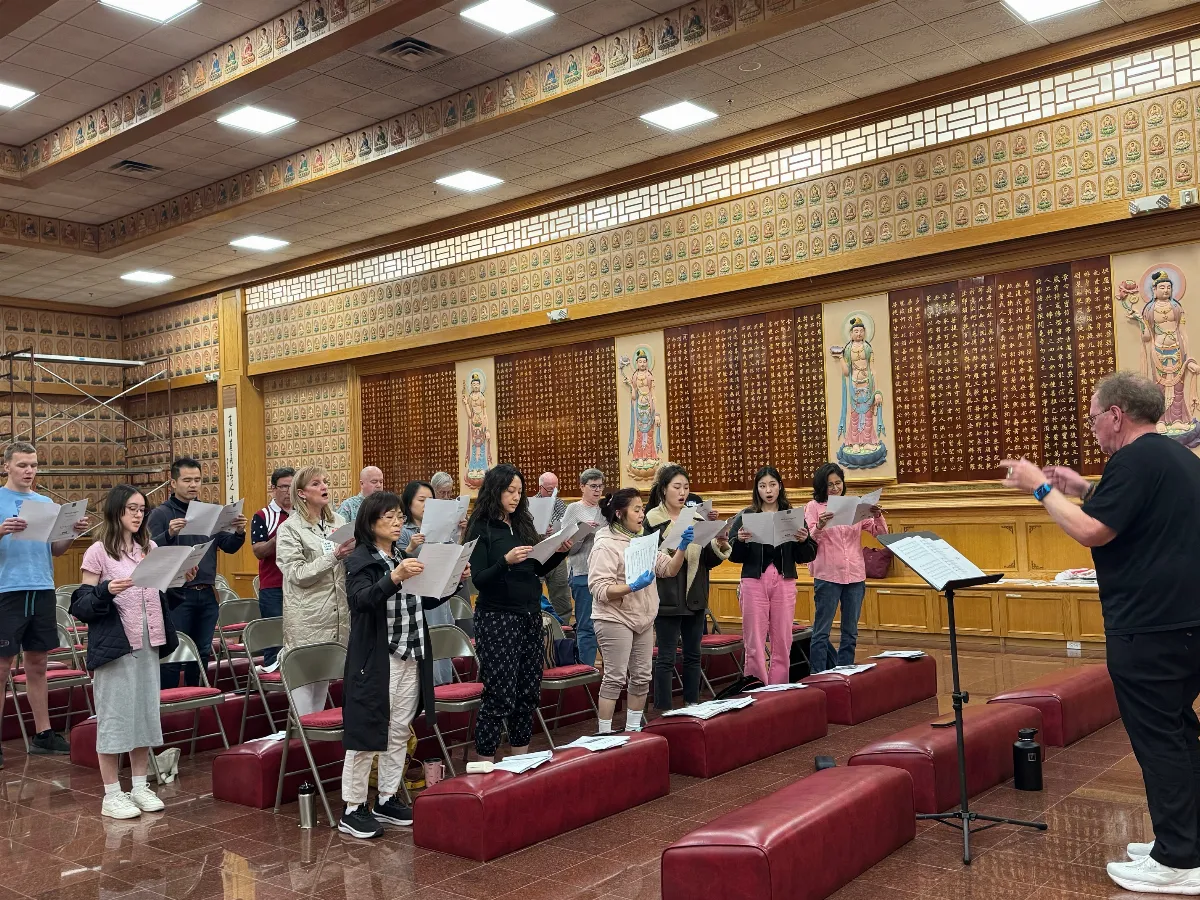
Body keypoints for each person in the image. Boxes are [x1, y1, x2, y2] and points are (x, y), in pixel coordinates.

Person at [1002, 371, 1200, 894]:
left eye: (1093, 417)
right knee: (1177, 732)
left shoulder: (1133, 459)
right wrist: (1085, 488)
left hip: (1151, 625)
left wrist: (1039, 487)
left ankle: (1179, 860)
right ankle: (1185, 839)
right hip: (1184, 622)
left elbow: (1094, 530)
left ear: (1116, 414)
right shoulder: (1176, 457)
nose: (1092, 428)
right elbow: (1133, 514)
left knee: (1160, 740)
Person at [339, 491, 466, 839]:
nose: (397, 523)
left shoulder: (398, 554)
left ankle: (386, 798)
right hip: (377, 657)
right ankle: (352, 807)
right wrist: (394, 577)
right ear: (370, 522)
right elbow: (360, 601)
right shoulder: (360, 558)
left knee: (398, 728)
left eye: (399, 516)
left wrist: (452, 581)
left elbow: (421, 600)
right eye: (389, 517)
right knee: (368, 731)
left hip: (411, 650)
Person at [73, 485, 180, 819]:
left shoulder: (150, 547)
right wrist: (107, 589)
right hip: (116, 647)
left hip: (149, 641)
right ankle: (111, 794)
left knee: (145, 715)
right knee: (116, 717)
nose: (138, 514)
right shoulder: (97, 553)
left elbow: (161, 596)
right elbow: (82, 605)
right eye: (132, 508)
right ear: (116, 510)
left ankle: (139, 785)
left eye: (142, 509)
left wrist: (179, 580)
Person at [465, 464, 571, 760]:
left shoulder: (523, 523)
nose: (515, 497)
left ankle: (519, 761)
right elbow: (480, 579)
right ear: (495, 490)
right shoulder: (481, 526)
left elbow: (536, 567)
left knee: (527, 693)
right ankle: (484, 767)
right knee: (499, 694)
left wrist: (559, 552)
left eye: (519, 492)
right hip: (497, 618)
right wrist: (505, 561)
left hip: (529, 615)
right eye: (509, 491)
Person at [0, 441, 91, 761]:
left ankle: (43, 733)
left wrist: (72, 532)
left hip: (41, 586)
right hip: (7, 590)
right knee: (2, 667)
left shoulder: (45, 503)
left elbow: (57, 550)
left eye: (34, 465)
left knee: (37, 663)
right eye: (23, 465)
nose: (29, 471)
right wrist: (1, 530)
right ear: (6, 466)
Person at [587, 488, 681, 733]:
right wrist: (631, 587)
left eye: (642, 509)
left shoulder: (642, 538)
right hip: (614, 617)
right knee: (615, 678)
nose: (642, 514)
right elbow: (599, 588)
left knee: (641, 677)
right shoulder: (605, 543)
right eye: (637, 509)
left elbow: (668, 569)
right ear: (620, 513)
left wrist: (682, 547)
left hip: (643, 617)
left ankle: (632, 731)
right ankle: (604, 734)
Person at [148, 457, 247, 687]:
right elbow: (149, 553)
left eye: (197, 480)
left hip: (207, 591)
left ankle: (198, 703)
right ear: (173, 483)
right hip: (177, 594)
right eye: (187, 480)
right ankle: (167, 706)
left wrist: (239, 532)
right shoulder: (161, 514)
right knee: (174, 653)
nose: (193, 485)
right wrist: (169, 535)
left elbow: (228, 546)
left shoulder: (210, 512)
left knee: (202, 653)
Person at [646, 463, 730, 710]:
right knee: (666, 657)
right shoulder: (651, 520)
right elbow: (652, 558)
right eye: (676, 487)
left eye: (686, 487)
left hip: (695, 593)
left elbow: (707, 562)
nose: (682, 493)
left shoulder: (697, 518)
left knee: (694, 656)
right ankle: (663, 708)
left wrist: (720, 542)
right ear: (663, 490)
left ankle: (693, 703)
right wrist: (677, 539)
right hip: (667, 596)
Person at [276, 465, 354, 717]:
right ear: (301, 493)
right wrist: (334, 556)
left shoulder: (338, 522)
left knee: (323, 682)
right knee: (305, 685)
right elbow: (296, 574)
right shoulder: (290, 528)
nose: (324, 487)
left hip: (336, 615)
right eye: (317, 483)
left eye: (325, 482)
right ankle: (302, 744)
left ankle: (314, 743)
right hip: (307, 617)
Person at [731, 466, 816, 684]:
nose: (768, 490)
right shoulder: (746, 516)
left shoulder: (792, 516)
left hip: (784, 580)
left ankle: (778, 688)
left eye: (772, 484)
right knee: (754, 640)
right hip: (753, 581)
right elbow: (733, 555)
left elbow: (806, 555)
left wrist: (803, 540)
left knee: (782, 639)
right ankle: (756, 685)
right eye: (762, 486)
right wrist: (740, 541)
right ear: (756, 490)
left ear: (780, 486)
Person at [803, 462, 887, 672]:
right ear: (822, 486)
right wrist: (820, 525)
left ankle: (845, 673)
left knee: (850, 631)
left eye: (838, 483)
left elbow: (881, 534)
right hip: (828, 575)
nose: (835, 488)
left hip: (855, 575)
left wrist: (877, 514)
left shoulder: (855, 505)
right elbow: (809, 540)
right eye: (830, 484)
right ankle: (818, 675)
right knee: (822, 631)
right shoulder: (813, 507)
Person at [398, 480, 457, 686]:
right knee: (424, 649)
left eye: (430, 501)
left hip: (440, 597)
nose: (427, 505)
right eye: (421, 500)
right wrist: (411, 546)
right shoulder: (404, 530)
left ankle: (445, 693)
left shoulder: (443, 528)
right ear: (409, 502)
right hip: (418, 599)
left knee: (442, 646)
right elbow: (397, 564)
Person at [251, 467, 292, 671]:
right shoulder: (263, 515)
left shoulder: (302, 515)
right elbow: (258, 551)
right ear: (273, 489)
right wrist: (279, 537)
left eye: (292, 487)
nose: (288, 491)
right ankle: (272, 688)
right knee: (274, 642)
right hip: (273, 587)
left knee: (297, 639)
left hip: (299, 585)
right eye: (283, 486)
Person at [565, 468, 606, 666]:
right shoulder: (573, 509)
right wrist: (582, 533)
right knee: (587, 626)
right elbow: (566, 547)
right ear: (582, 487)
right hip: (582, 572)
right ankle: (585, 670)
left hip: (606, 573)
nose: (597, 490)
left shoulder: (605, 508)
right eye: (593, 486)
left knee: (607, 625)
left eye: (600, 486)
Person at [535, 472, 571, 619]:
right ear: (540, 487)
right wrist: (539, 531)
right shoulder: (529, 504)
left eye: (555, 489)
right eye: (549, 490)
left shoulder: (560, 503)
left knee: (561, 592)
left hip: (557, 552)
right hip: (538, 553)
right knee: (534, 591)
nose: (552, 493)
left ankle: (564, 626)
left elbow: (566, 522)